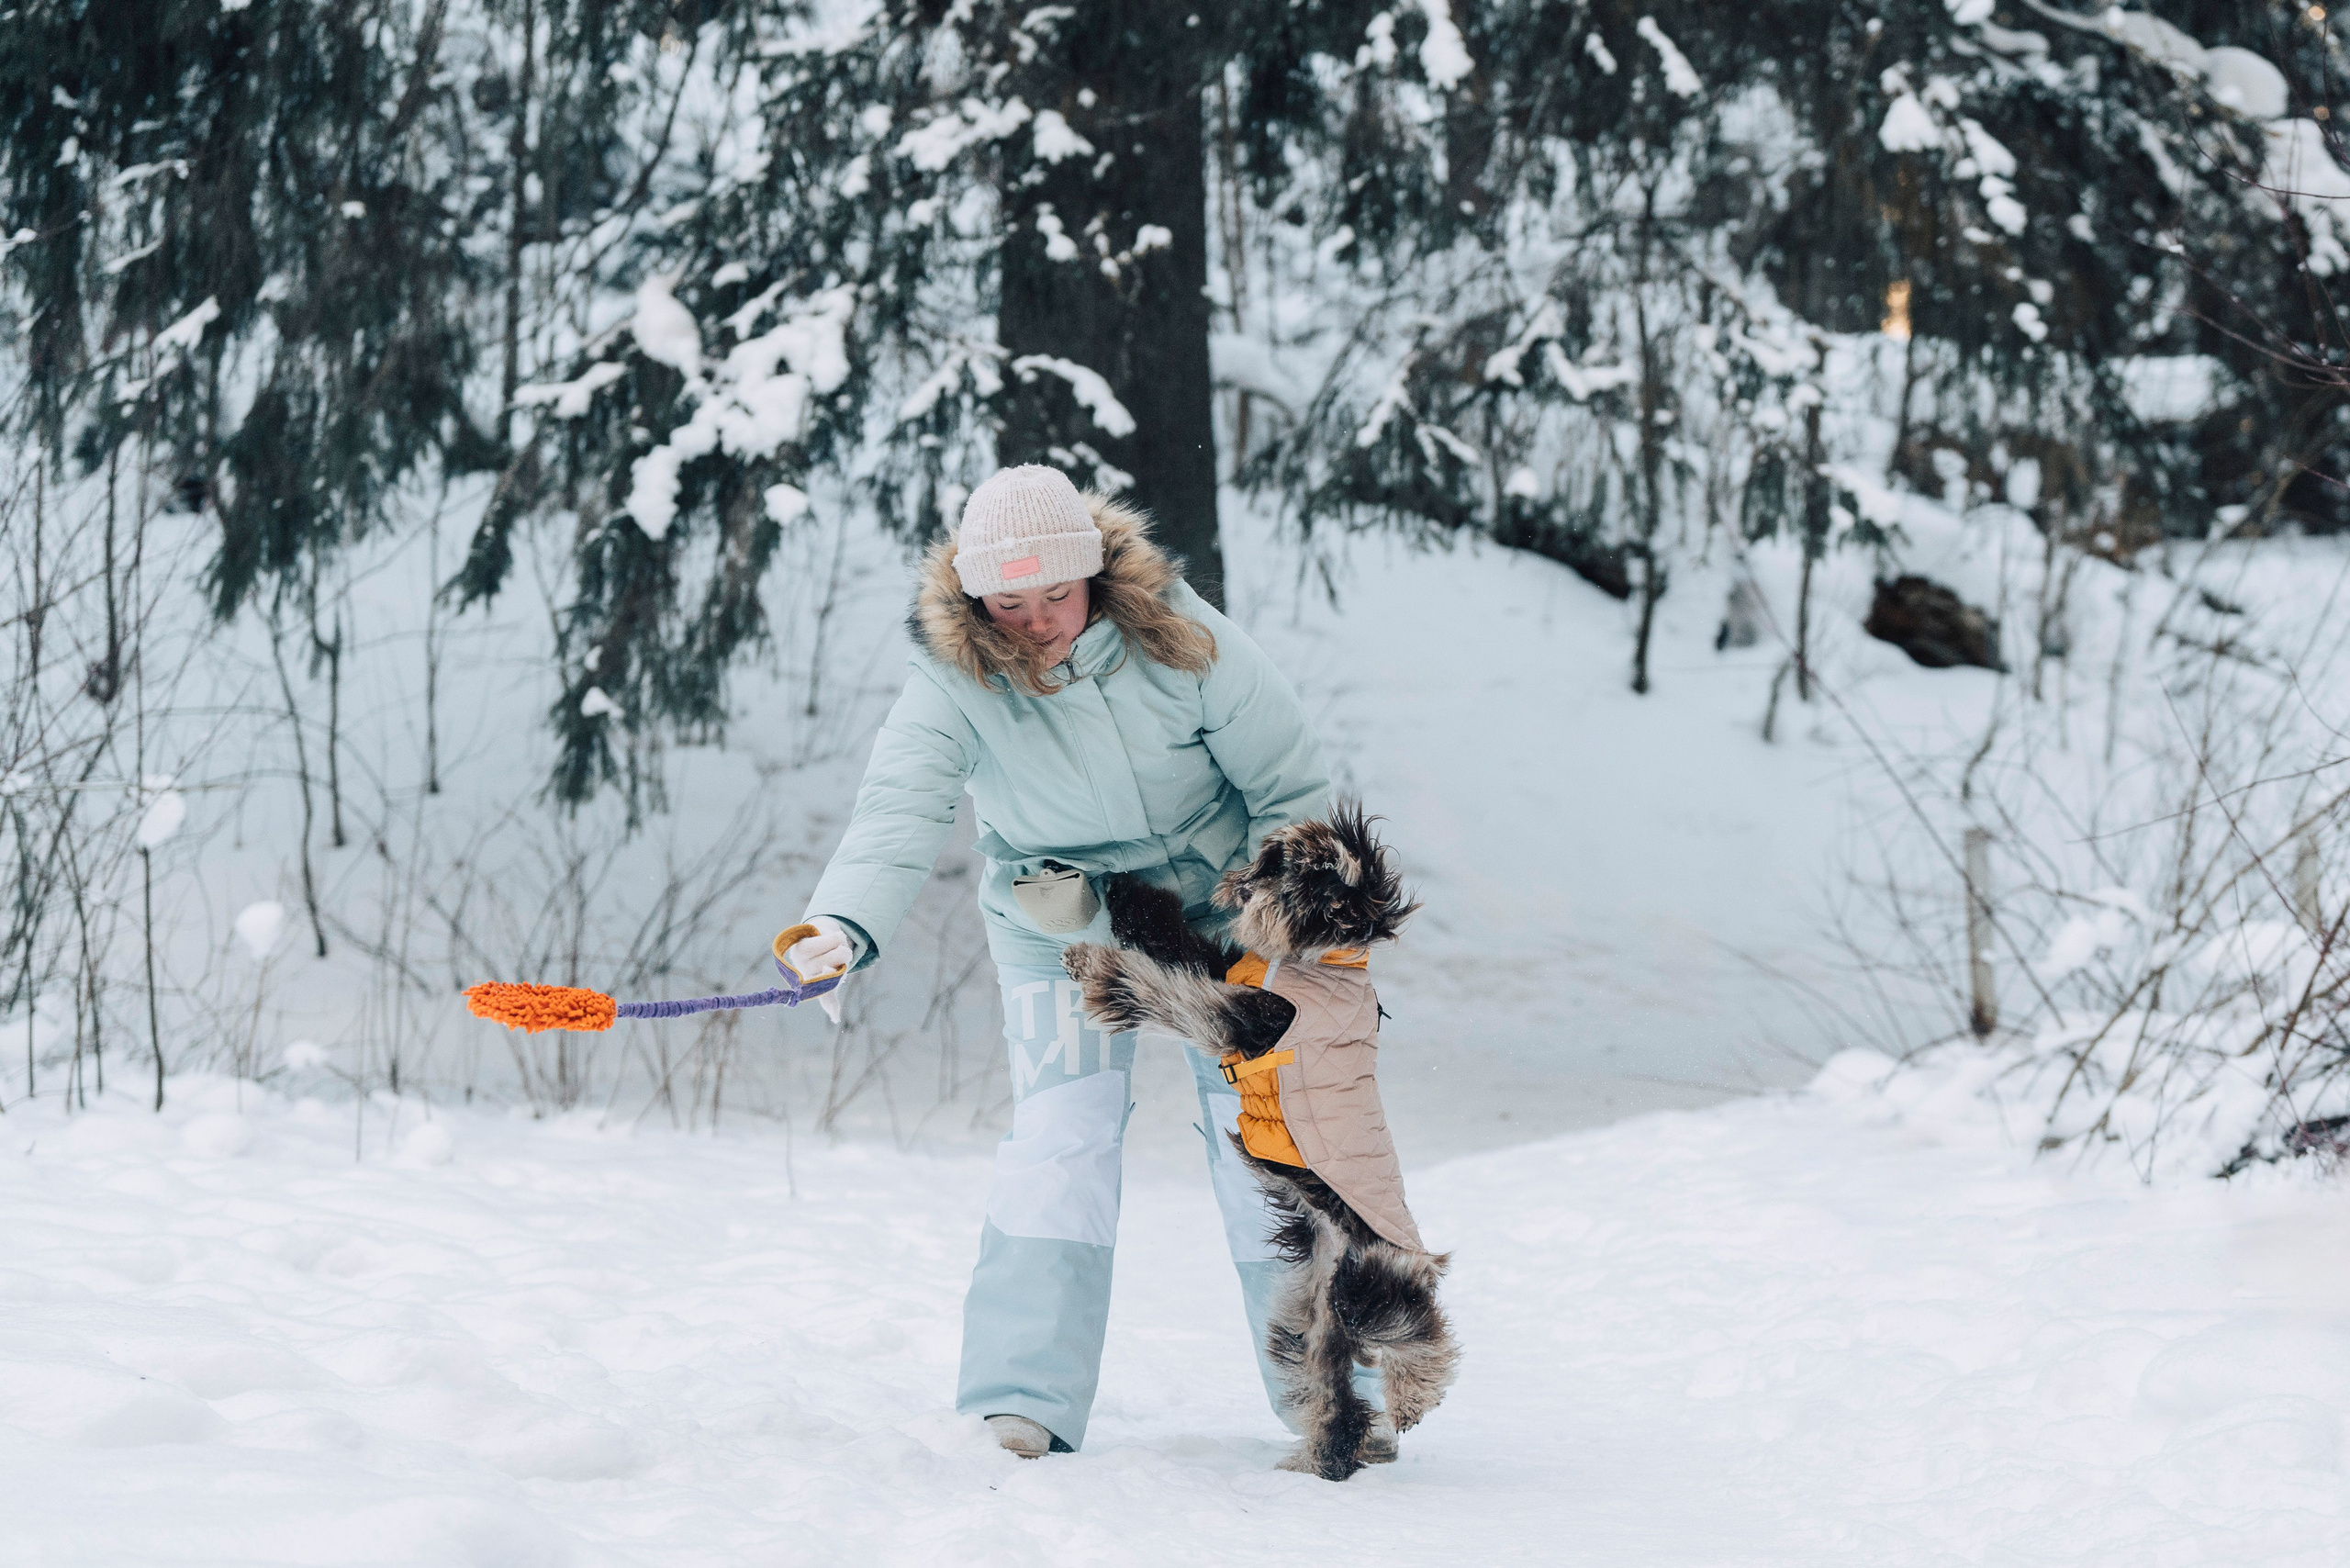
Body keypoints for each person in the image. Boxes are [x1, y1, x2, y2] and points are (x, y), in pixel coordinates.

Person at [787, 464, 1386, 1461]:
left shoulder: (1184, 637)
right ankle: (1024, 1394)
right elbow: (900, 808)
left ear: (1096, 574)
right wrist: (841, 924)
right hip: (1062, 927)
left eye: (1053, 595)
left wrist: (1296, 920)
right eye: (1006, 601)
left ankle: (1331, 1396)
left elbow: (1288, 779)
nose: (1032, 621)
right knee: (1060, 1135)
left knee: (1268, 1143)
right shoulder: (952, 679)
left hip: (1219, 921)